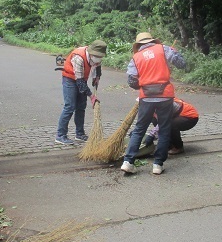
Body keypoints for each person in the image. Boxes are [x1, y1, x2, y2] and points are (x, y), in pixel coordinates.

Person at [121, 32, 185, 175]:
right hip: (165, 97)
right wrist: (176, 54)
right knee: (163, 129)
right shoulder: (164, 49)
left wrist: (144, 86)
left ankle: (128, 161)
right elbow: (182, 64)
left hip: (146, 97)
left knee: (139, 129)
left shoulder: (136, 57)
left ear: (139, 44)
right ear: (152, 41)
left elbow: (132, 81)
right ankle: (158, 164)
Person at [55, 40, 107, 145]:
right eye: (96, 56)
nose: (98, 58)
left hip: (82, 79)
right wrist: (91, 96)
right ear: (90, 52)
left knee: (81, 107)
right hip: (70, 79)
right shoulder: (78, 57)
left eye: (100, 56)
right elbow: (80, 83)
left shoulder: (97, 56)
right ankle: (60, 136)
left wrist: (97, 77)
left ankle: (80, 134)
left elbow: (98, 67)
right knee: (70, 106)